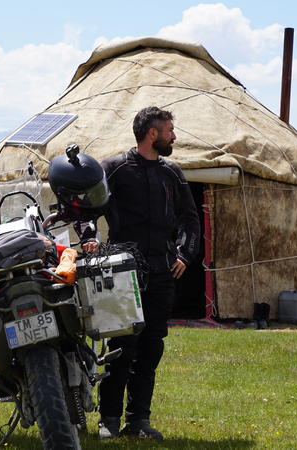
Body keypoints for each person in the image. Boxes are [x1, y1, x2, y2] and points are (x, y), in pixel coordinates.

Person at [82, 106, 200, 440]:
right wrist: (91, 237)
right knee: (121, 347)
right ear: (153, 133)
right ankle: (108, 420)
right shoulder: (114, 169)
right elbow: (89, 208)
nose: (174, 136)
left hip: (161, 273)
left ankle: (138, 421)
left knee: (151, 348)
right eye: (170, 130)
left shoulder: (172, 173)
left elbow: (189, 219)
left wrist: (185, 253)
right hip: (123, 272)